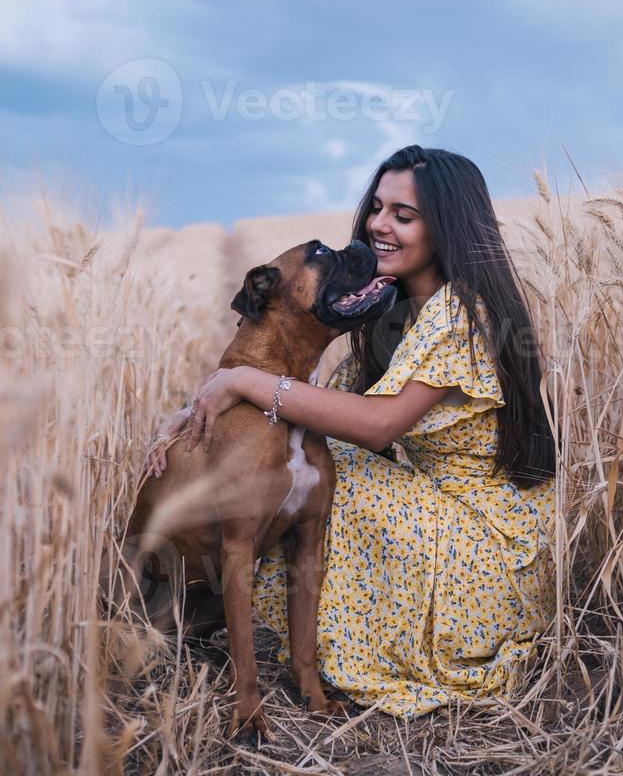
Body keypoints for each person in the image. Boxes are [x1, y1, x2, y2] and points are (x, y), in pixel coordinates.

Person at [144, 145, 556, 717]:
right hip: (445, 520)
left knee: (314, 470)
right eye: (378, 207)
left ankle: (248, 626)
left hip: (485, 556)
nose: (378, 226)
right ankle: (213, 604)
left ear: (448, 229)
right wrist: (202, 407)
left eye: (404, 216)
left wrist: (241, 379)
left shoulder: (461, 314)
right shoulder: (396, 312)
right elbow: (321, 408)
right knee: (292, 455)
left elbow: (373, 425)